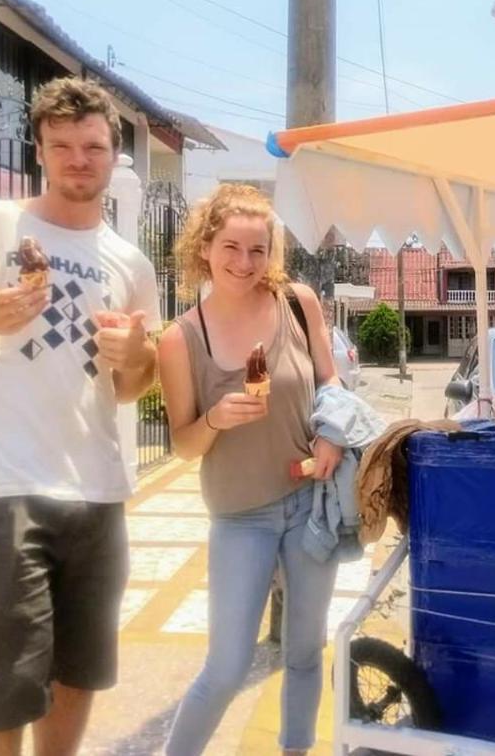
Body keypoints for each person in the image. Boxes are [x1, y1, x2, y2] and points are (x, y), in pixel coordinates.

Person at [0, 77, 161, 756]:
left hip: (97, 492)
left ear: (112, 153)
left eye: (94, 146)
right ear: (40, 149)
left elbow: (134, 386)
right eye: (64, 145)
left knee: (77, 680)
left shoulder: (129, 261)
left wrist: (135, 355)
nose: (80, 159)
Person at [160, 184, 343, 756]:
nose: (245, 262)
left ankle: (296, 749)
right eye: (231, 247)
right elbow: (185, 445)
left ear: (272, 253)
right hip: (241, 517)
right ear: (205, 248)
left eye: (258, 250)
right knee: (227, 665)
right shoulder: (181, 337)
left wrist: (333, 433)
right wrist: (215, 417)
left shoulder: (298, 302)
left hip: (309, 503)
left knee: (306, 651)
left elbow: (329, 380)